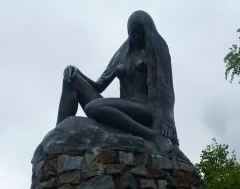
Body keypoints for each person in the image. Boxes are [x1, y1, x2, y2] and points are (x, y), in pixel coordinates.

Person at [56, 10, 178, 154]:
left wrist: (166, 122)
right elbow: (99, 86)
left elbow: (166, 91)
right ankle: (57, 136)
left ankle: (151, 135)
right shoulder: (122, 53)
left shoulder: (156, 50)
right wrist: (76, 71)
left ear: (147, 31)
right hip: (123, 106)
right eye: (132, 33)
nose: (136, 36)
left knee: (92, 107)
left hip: (145, 109)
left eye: (140, 32)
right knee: (71, 80)